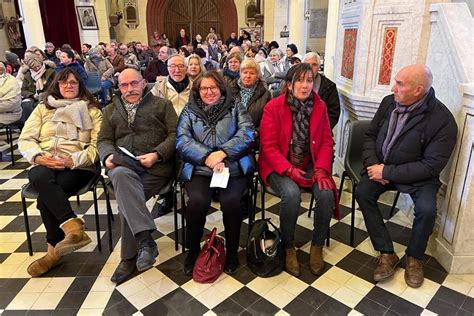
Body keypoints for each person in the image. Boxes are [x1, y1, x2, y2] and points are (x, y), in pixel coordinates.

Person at [354, 64, 458, 288]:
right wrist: (374, 165)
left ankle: (414, 258)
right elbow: (370, 136)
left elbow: (431, 166)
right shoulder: (389, 103)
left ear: (418, 90)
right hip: (383, 167)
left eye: (400, 84)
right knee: (362, 192)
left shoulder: (443, 120)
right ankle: (386, 252)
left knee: (428, 210)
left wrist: (387, 171)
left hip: (418, 177)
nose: (393, 88)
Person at [18, 68, 103, 277]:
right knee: (38, 174)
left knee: (45, 197)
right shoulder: (43, 109)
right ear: (56, 85)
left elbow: (97, 147)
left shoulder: (92, 111)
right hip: (46, 163)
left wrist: (71, 160)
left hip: (78, 167)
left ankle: (54, 253)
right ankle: (72, 227)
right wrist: (38, 156)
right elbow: (26, 139)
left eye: (73, 83)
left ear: (80, 86)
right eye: (64, 83)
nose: (68, 86)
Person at [258, 63, 339, 277]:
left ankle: (317, 245)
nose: (305, 86)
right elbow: (268, 147)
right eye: (300, 81)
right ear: (290, 85)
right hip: (278, 165)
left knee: (326, 191)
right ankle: (288, 246)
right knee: (291, 194)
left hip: (309, 163)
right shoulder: (273, 107)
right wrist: (288, 169)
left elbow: (326, 143)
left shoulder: (319, 106)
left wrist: (321, 169)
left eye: (309, 81)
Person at [98, 68, 178, 283]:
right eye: (124, 85)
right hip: (124, 166)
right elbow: (104, 140)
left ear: (144, 83)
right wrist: (106, 156)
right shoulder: (110, 110)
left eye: (134, 83)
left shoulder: (162, 105)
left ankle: (129, 258)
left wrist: (157, 154)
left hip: (155, 168)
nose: (130, 89)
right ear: (119, 88)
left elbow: (175, 134)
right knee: (122, 177)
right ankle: (144, 242)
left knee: (127, 200)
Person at [176, 70, 255, 275]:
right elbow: (182, 140)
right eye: (204, 88)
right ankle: (193, 250)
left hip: (233, 166)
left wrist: (223, 153)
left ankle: (231, 252)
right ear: (197, 90)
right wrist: (206, 157)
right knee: (197, 202)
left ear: (221, 88)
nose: (209, 92)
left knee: (231, 203)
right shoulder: (189, 110)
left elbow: (247, 134)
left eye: (213, 87)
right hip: (200, 168)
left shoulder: (236, 106)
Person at [228, 58, 270, 138]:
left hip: (254, 138)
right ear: (240, 73)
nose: (248, 76)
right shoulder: (229, 90)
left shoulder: (265, 94)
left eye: (252, 73)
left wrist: (257, 132)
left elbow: (268, 120)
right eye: (245, 72)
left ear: (257, 76)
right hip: (230, 136)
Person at [303, 52, 341, 130]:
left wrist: (323, 130)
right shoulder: (294, 83)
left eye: (314, 64)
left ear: (319, 67)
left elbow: (334, 113)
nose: (310, 67)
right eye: (307, 64)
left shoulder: (329, 86)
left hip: (320, 129)